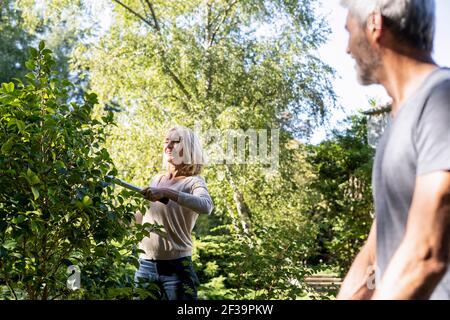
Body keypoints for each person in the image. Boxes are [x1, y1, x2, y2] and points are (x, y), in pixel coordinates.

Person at [337, 0, 450, 299]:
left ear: (374, 24)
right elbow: (377, 250)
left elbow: (425, 257)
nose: (347, 48)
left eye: (348, 31)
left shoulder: (442, 101)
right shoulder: (396, 124)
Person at [134, 125, 213, 300]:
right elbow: (141, 218)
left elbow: (206, 206)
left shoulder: (193, 182)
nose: (168, 146)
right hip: (145, 265)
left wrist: (167, 193)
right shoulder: (157, 179)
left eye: (175, 142)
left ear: (189, 149)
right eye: (166, 141)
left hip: (177, 268)